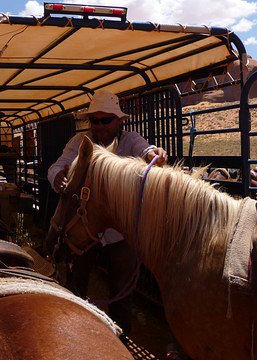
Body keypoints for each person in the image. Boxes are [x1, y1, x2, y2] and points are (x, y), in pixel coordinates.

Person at [47, 89, 167, 334]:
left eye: (105, 120)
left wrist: (154, 153)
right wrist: (58, 176)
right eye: (94, 120)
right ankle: (75, 333)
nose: (99, 126)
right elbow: (58, 165)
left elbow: (145, 150)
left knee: (122, 289)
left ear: (120, 120)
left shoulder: (130, 140)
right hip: (86, 228)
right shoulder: (80, 142)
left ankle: (121, 337)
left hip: (118, 233)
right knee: (76, 282)